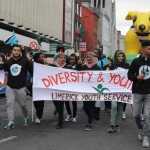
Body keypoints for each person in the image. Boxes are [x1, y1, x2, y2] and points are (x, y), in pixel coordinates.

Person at [0, 45, 33, 129]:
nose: (16, 52)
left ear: (20, 52)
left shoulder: (25, 61)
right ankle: (10, 121)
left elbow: (32, 70)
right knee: (9, 104)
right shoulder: (8, 62)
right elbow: (1, 68)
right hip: (10, 86)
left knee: (23, 105)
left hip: (21, 87)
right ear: (12, 51)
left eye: (18, 50)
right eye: (15, 50)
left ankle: (25, 117)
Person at [128, 40, 150, 148]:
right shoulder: (136, 62)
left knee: (147, 115)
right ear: (143, 49)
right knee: (136, 115)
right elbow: (129, 75)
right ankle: (140, 127)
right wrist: (137, 77)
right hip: (138, 92)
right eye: (149, 49)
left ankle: (146, 137)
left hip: (149, 93)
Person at [77, 52, 100, 130]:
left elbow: (102, 77)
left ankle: (89, 123)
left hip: (93, 90)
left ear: (94, 58)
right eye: (88, 57)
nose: (89, 59)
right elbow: (77, 73)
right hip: (85, 90)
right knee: (86, 107)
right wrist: (79, 64)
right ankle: (91, 116)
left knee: (91, 106)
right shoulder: (83, 66)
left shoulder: (97, 68)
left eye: (90, 57)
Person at [108, 50, 129, 133]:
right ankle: (111, 124)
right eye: (119, 56)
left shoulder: (127, 65)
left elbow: (129, 76)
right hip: (114, 89)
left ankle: (118, 125)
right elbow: (109, 77)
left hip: (122, 90)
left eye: (122, 56)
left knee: (120, 108)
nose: (120, 57)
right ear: (116, 57)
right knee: (113, 107)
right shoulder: (113, 66)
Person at [51, 52, 68, 129]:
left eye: (64, 58)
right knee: (56, 103)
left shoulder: (67, 67)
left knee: (60, 105)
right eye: (61, 58)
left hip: (63, 89)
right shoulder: (53, 66)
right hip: (54, 88)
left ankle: (60, 122)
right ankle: (60, 116)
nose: (63, 59)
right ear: (58, 59)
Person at [65, 53, 78, 122]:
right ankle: (69, 113)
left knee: (74, 102)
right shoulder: (67, 67)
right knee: (66, 101)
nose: (71, 60)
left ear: (75, 60)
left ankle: (74, 116)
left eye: (73, 59)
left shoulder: (78, 67)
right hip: (68, 86)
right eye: (70, 59)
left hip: (75, 87)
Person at [33, 53, 45, 124]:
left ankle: (38, 116)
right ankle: (39, 112)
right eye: (42, 57)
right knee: (35, 102)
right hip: (35, 85)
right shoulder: (34, 65)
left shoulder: (45, 65)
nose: (43, 58)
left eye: (43, 57)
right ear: (38, 58)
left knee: (40, 102)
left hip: (42, 85)